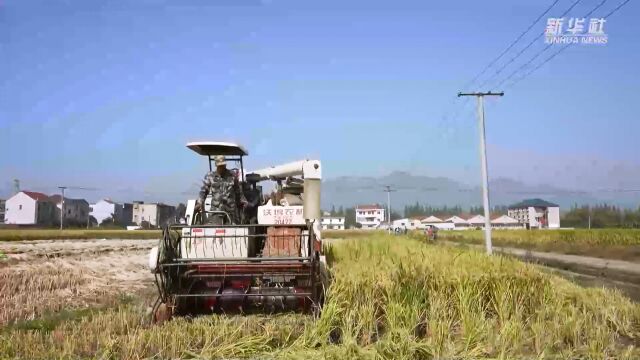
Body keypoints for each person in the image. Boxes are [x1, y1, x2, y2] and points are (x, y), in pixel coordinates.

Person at [196, 155, 247, 224]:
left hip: (230, 212)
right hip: (216, 212)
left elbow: (238, 192)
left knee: (233, 233)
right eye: (220, 166)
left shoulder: (232, 175)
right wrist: (200, 203)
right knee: (215, 232)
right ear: (216, 165)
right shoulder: (210, 176)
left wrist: (243, 202)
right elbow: (203, 191)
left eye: (223, 165)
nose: (222, 167)